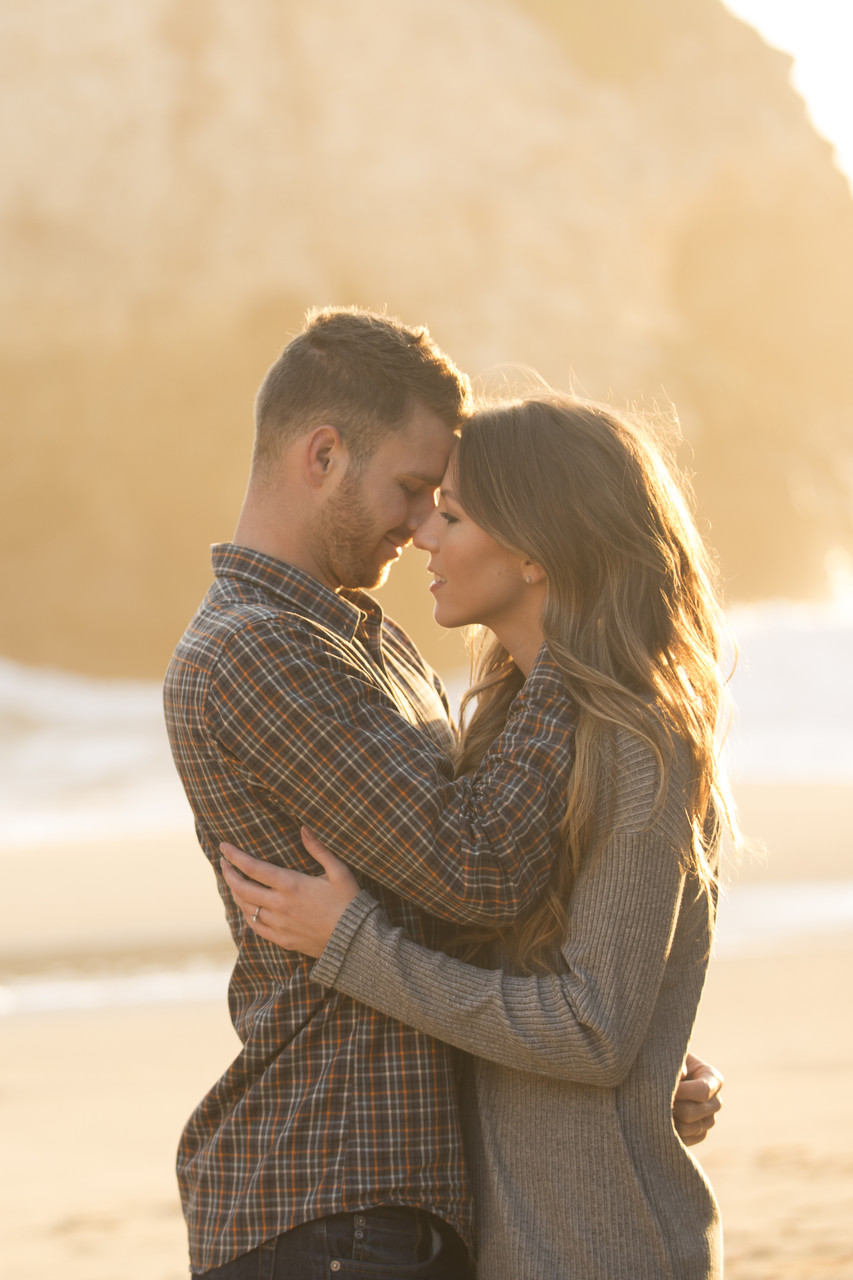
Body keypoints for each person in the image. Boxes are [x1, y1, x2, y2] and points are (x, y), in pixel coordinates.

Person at [163, 310, 722, 1279]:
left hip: (413, 1209)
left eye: (445, 505)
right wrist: (563, 645)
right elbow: (478, 871)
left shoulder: (370, 646)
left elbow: (522, 942)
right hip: (334, 1194)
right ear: (323, 455)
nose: (421, 525)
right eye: (416, 491)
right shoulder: (259, 650)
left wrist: (638, 1055)